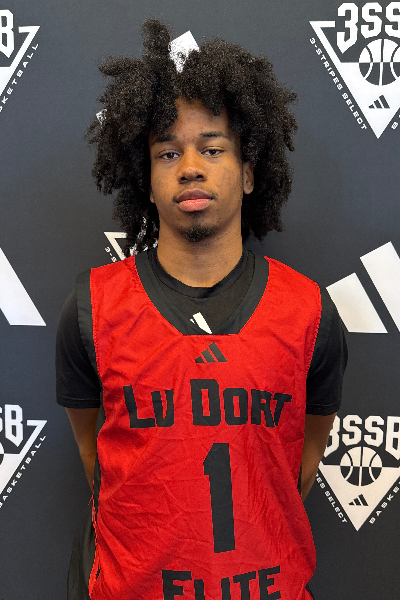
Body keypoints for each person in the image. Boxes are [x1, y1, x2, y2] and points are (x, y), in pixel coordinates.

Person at [56, 18, 347, 600]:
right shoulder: (93, 306)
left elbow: (302, 459)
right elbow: (97, 457)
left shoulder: (309, 311)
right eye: (168, 153)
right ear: (147, 180)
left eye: (212, 149)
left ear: (248, 172)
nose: (190, 166)